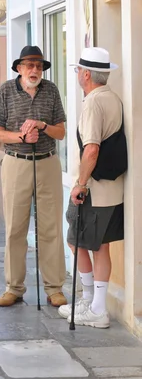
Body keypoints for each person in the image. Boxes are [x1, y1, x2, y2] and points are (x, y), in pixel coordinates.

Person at [0, 45, 67, 308]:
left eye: (38, 65)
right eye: (29, 65)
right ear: (19, 68)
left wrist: (43, 125)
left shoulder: (52, 90)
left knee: (51, 227)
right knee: (15, 227)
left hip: (48, 163)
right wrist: (21, 136)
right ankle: (14, 287)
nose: (34, 70)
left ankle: (54, 287)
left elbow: (61, 132)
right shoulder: (6, 91)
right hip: (16, 163)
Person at [58, 47, 126, 328]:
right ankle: (92, 303)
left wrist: (80, 185)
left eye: (77, 70)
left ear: (86, 74)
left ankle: (95, 306)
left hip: (94, 189)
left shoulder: (94, 103)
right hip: (111, 189)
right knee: (99, 247)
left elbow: (92, 150)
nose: (76, 74)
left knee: (76, 241)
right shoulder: (113, 98)